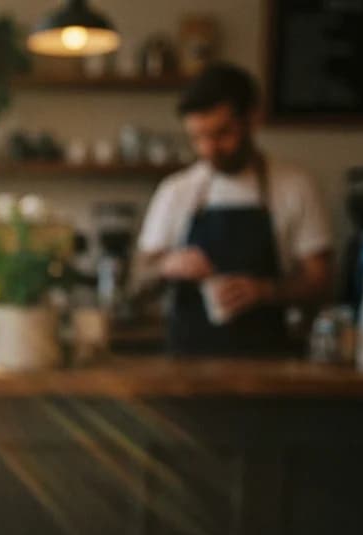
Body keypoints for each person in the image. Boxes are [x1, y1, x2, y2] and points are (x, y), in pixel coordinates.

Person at [138, 62, 333, 356]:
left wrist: (265, 291)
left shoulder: (295, 186)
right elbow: (139, 274)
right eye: (198, 138)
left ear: (252, 119)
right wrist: (166, 265)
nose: (209, 149)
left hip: (268, 363)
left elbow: (321, 281)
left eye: (221, 134)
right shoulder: (176, 191)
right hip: (186, 366)